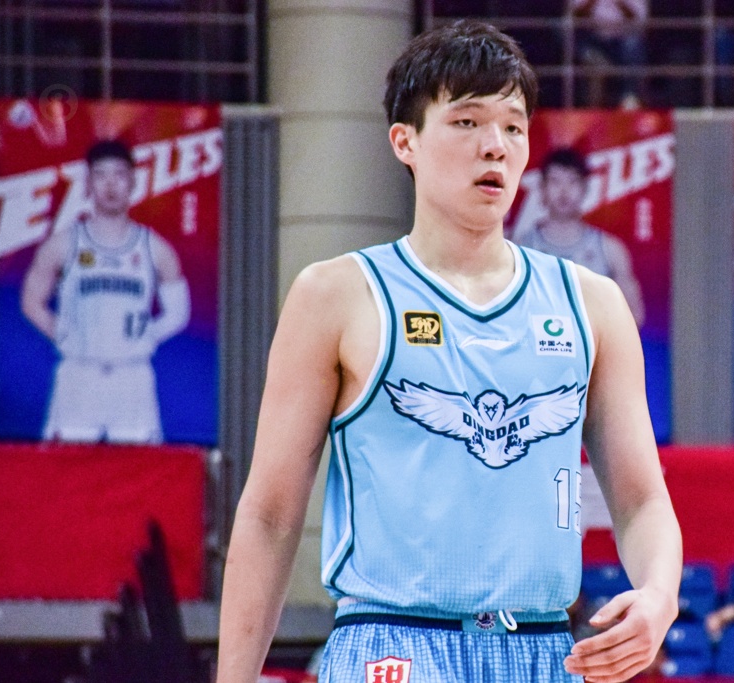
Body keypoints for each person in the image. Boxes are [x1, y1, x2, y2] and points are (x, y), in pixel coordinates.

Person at [217, 19, 681, 683]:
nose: (495, 145)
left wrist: (660, 594)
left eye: (513, 127)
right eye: (467, 122)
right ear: (404, 141)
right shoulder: (336, 295)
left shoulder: (592, 303)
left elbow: (641, 500)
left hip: (542, 647)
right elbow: (269, 515)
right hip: (392, 645)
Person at [21, 139, 190, 444]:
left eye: (119, 175)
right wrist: (63, 334)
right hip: (78, 375)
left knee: (140, 469)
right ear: (88, 183)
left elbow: (178, 313)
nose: (110, 185)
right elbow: (31, 301)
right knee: (67, 467)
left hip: (132, 378)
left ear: (133, 181)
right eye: (101, 175)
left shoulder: (156, 249)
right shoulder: (63, 244)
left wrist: (146, 337)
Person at [514, 147, 646, 326]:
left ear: (585, 187)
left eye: (572, 182)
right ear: (542, 188)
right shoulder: (520, 248)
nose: (564, 191)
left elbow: (635, 315)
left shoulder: (610, 249)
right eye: (555, 181)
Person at [572, 0, 649, 107]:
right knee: (595, 63)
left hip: (622, 39)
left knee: (632, 44)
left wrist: (620, 3)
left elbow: (639, 21)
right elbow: (575, 16)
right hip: (592, 39)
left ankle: (630, 97)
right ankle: (593, 107)